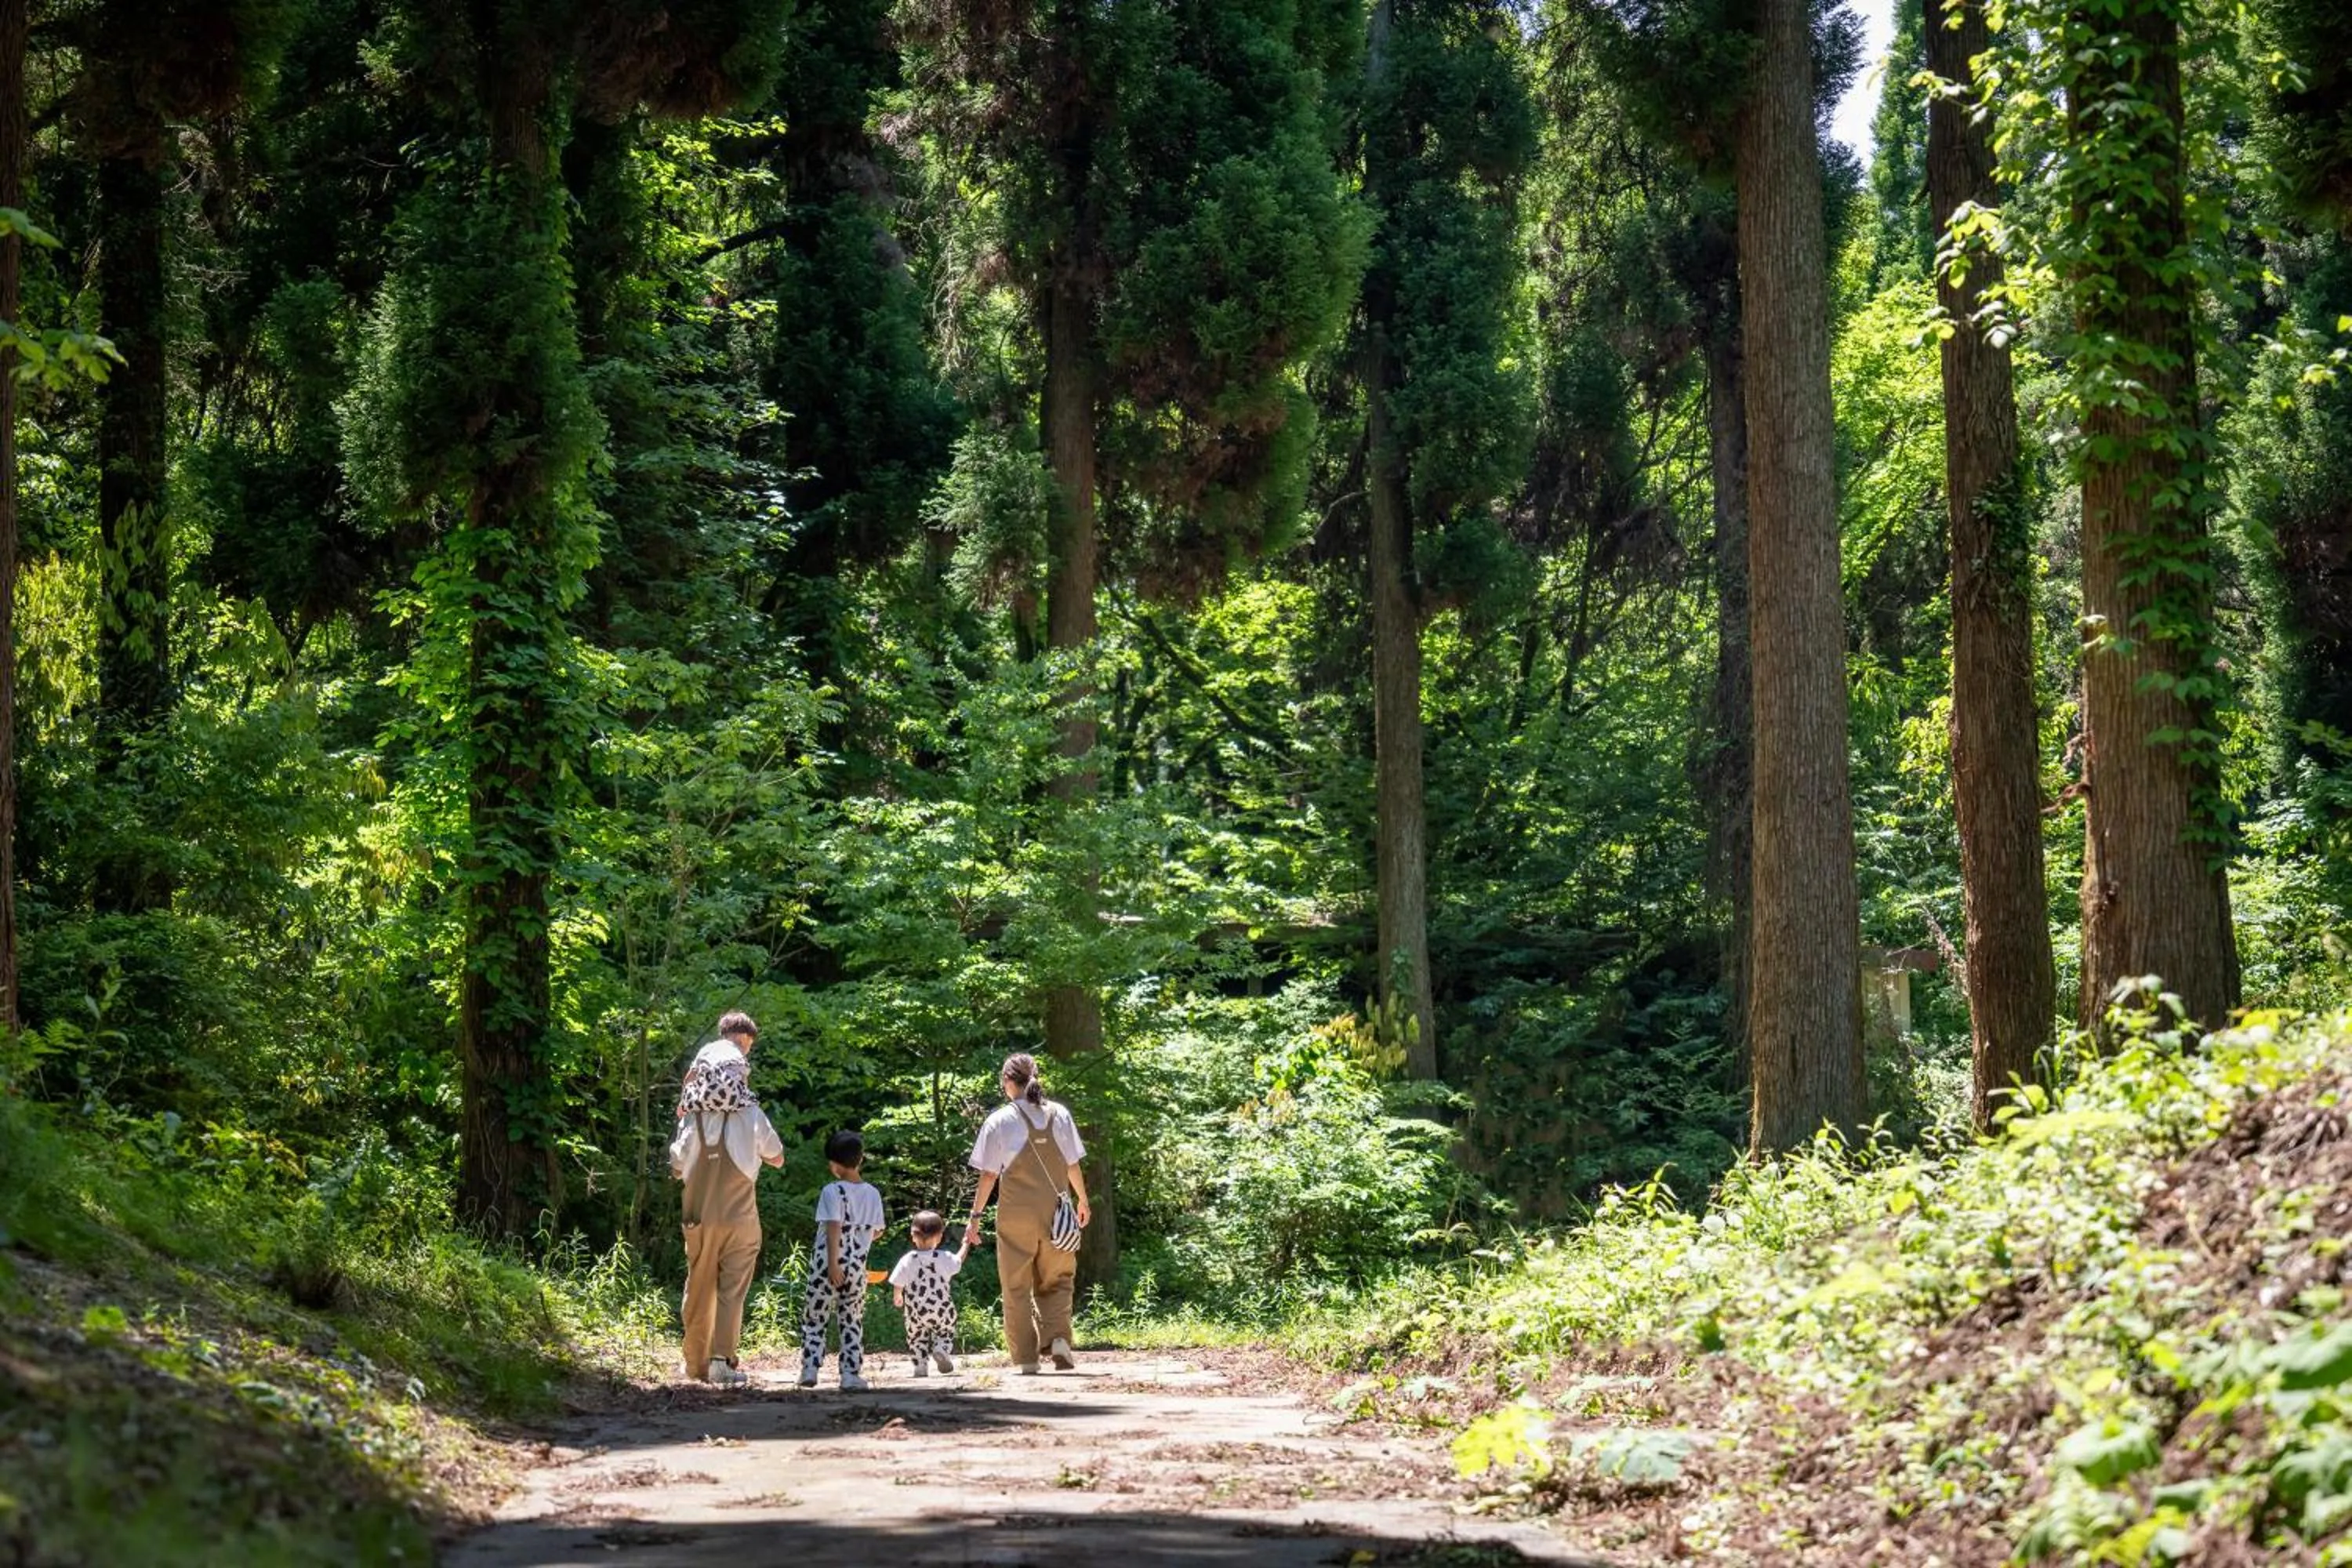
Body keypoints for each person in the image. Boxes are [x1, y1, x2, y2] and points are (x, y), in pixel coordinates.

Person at [669, 1011, 783, 1388]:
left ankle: (694, 1364)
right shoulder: (751, 1111)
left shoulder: (692, 1115)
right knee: (732, 1286)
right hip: (739, 1213)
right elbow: (777, 1154)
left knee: (699, 1281)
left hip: (698, 1211)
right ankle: (721, 1360)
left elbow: (676, 1161)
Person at [965, 1052, 1091, 1374]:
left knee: (1016, 1283)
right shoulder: (1059, 1114)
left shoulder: (999, 1120)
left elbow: (989, 1175)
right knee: (1058, 1277)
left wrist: (975, 1217)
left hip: (1015, 1214)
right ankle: (1059, 1339)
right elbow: (1072, 1163)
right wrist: (1083, 1201)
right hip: (1057, 1212)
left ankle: (1027, 1358)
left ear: (1009, 1081)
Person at [799, 1129, 884, 1391]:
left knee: (815, 1316)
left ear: (834, 1165)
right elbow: (878, 1230)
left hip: (827, 1263)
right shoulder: (873, 1193)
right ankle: (850, 1374)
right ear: (860, 1160)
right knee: (851, 1318)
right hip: (857, 1266)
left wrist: (834, 1263)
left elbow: (834, 1225)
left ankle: (810, 1369)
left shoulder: (831, 1190)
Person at [887, 1210, 974, 1376]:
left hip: (915, 1310)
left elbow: (898, 1282)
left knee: (916, 1337)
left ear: (913, 1236)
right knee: (946, 1330)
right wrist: (966, 1244)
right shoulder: (943, 1257)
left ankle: (920, 1364)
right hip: (941, 1308)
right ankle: (941, 1349)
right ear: (940, 1237)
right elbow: (959, 1260)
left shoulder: (908, 1259)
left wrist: (897, 1296)